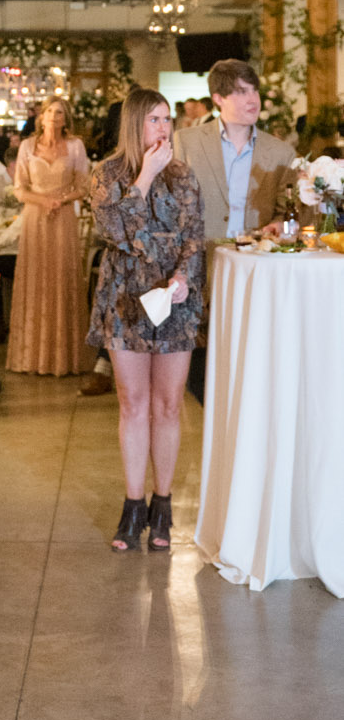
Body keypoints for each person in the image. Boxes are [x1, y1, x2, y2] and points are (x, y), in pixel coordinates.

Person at [89, 87, 204, 552]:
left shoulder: (184, 176)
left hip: (174, 303)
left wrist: (182, 278)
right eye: (154, 119)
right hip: (124, 300)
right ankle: (132, 505)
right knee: (133, 403)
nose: (163, 128)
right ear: (134, 125)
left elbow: (195, 238)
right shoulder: (109, 173)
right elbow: (113, 230)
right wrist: (144, 177)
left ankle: (163, 505)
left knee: (169, 406)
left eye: (167, 119)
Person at [173, 59, 296, 403]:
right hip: (201, 265)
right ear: (218, 99)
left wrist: (279, 224)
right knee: (203, 370)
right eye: (241, 92)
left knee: (253, 357)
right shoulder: (186, 142)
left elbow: (289, 213)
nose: (251, 99)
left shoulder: (281, 151)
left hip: (257, 265)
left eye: (254, 90)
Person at [7, 97, 89, 376]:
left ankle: (65, 357)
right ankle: (30, 356)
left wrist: (62, 199)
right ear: (41, 117)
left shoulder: (76, 146)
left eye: (60, 113)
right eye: (50, 112)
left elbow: (84, 186)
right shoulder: (28, 147)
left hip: (63, 220)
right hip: (35, 219)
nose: (54, 117)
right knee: (35, 278)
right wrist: (44, 201)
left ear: (66, 119)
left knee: (62, 277)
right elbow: (19, 188)